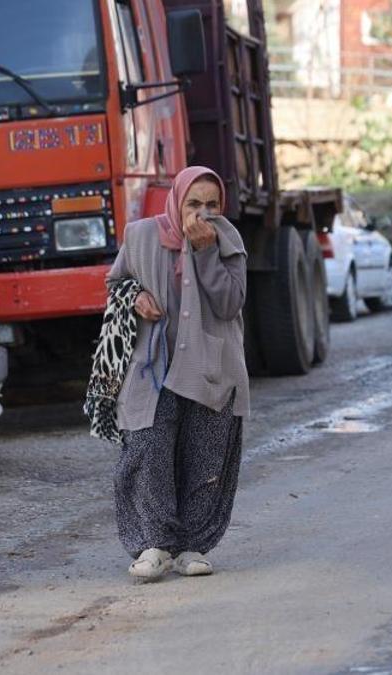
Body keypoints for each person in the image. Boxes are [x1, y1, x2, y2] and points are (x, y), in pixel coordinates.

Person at [106, 166, 250, 580]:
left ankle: (192, 546)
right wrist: (135, 297)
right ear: (176, 201)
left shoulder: (228, 240)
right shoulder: (141, 236)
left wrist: (206, 253)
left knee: (204, 452)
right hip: (152, 366)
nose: (201, 214)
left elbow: (229, 304)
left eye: (212, 205)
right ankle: (153, 545)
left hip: (210, 365)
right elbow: (116, 283)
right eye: (193, 204)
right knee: (147, 448)